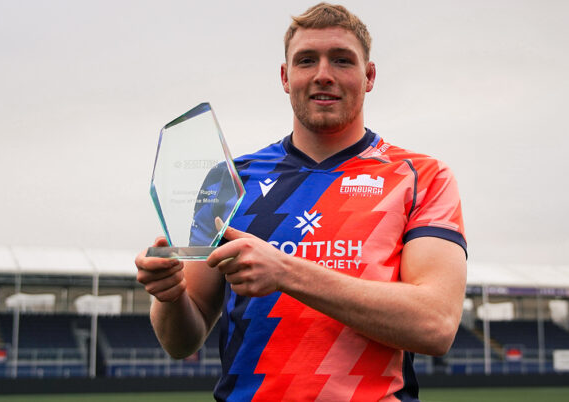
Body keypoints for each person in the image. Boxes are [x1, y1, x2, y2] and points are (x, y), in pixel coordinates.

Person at [136, 3, 467, 400]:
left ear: (369, 76)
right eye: (307, 60)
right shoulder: (230, 181)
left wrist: (285, 271)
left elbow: (435, 325)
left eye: (342, 60)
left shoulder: (421, 177)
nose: (323, 74)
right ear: (285, 76)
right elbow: (181, 342)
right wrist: (170, 296)